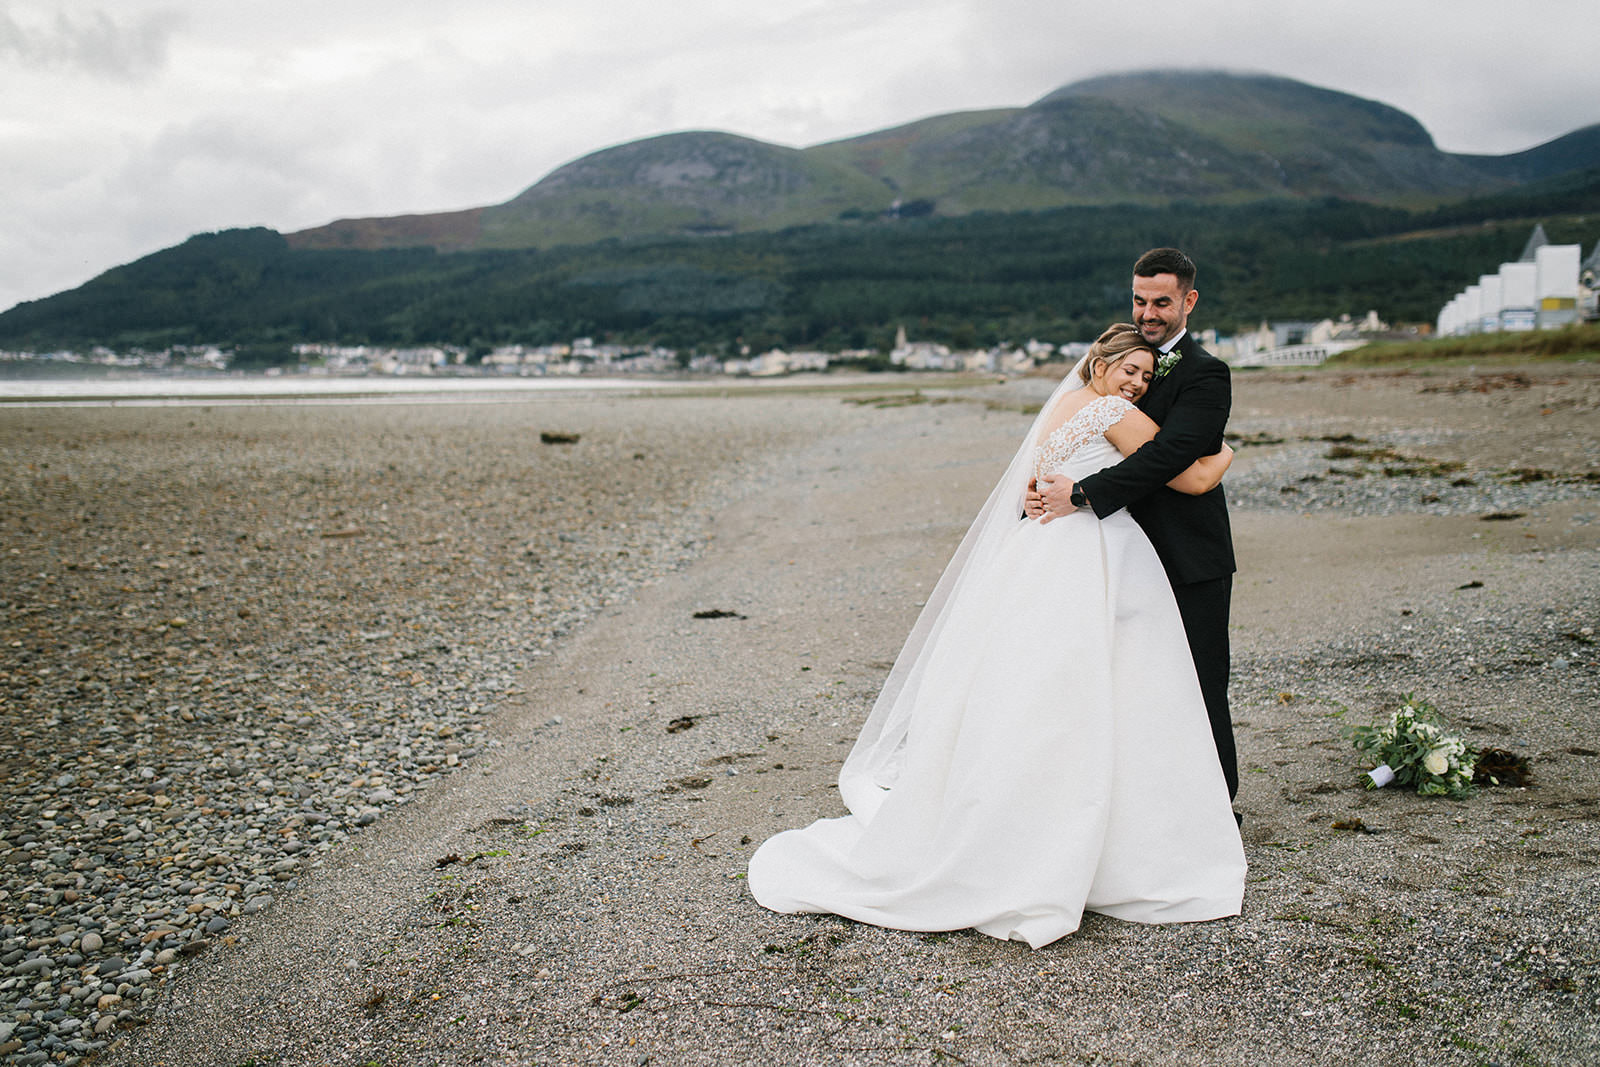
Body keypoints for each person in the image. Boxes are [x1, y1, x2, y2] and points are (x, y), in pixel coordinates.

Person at [748, 324, 1245, 949]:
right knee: (1111, 685)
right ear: (1103, 362)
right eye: (1129, 370)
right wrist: (1227, 450)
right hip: (1092, 551)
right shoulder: (1116, 411)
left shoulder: (1063, 405)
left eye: (1146, 377)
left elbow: (1038, 486)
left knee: (1038, 689)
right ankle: (1106, 835)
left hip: (1040, 552)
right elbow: (1194, 477)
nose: (1137, 383)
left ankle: (1021, 820)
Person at [1034, 248, 1239, 803]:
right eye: (1139, 300)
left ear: (1188, 302)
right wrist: (1040, 494)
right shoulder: (1114, 375)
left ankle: (1218, 807)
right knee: (1127, 689)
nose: (1149, 312)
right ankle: (1140, 804)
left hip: (1186, 556)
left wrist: (1080, 494)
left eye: (1162, 303)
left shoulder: (1207, 375)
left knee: (1199, 686)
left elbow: (1169, 457)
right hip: (1114, 558)